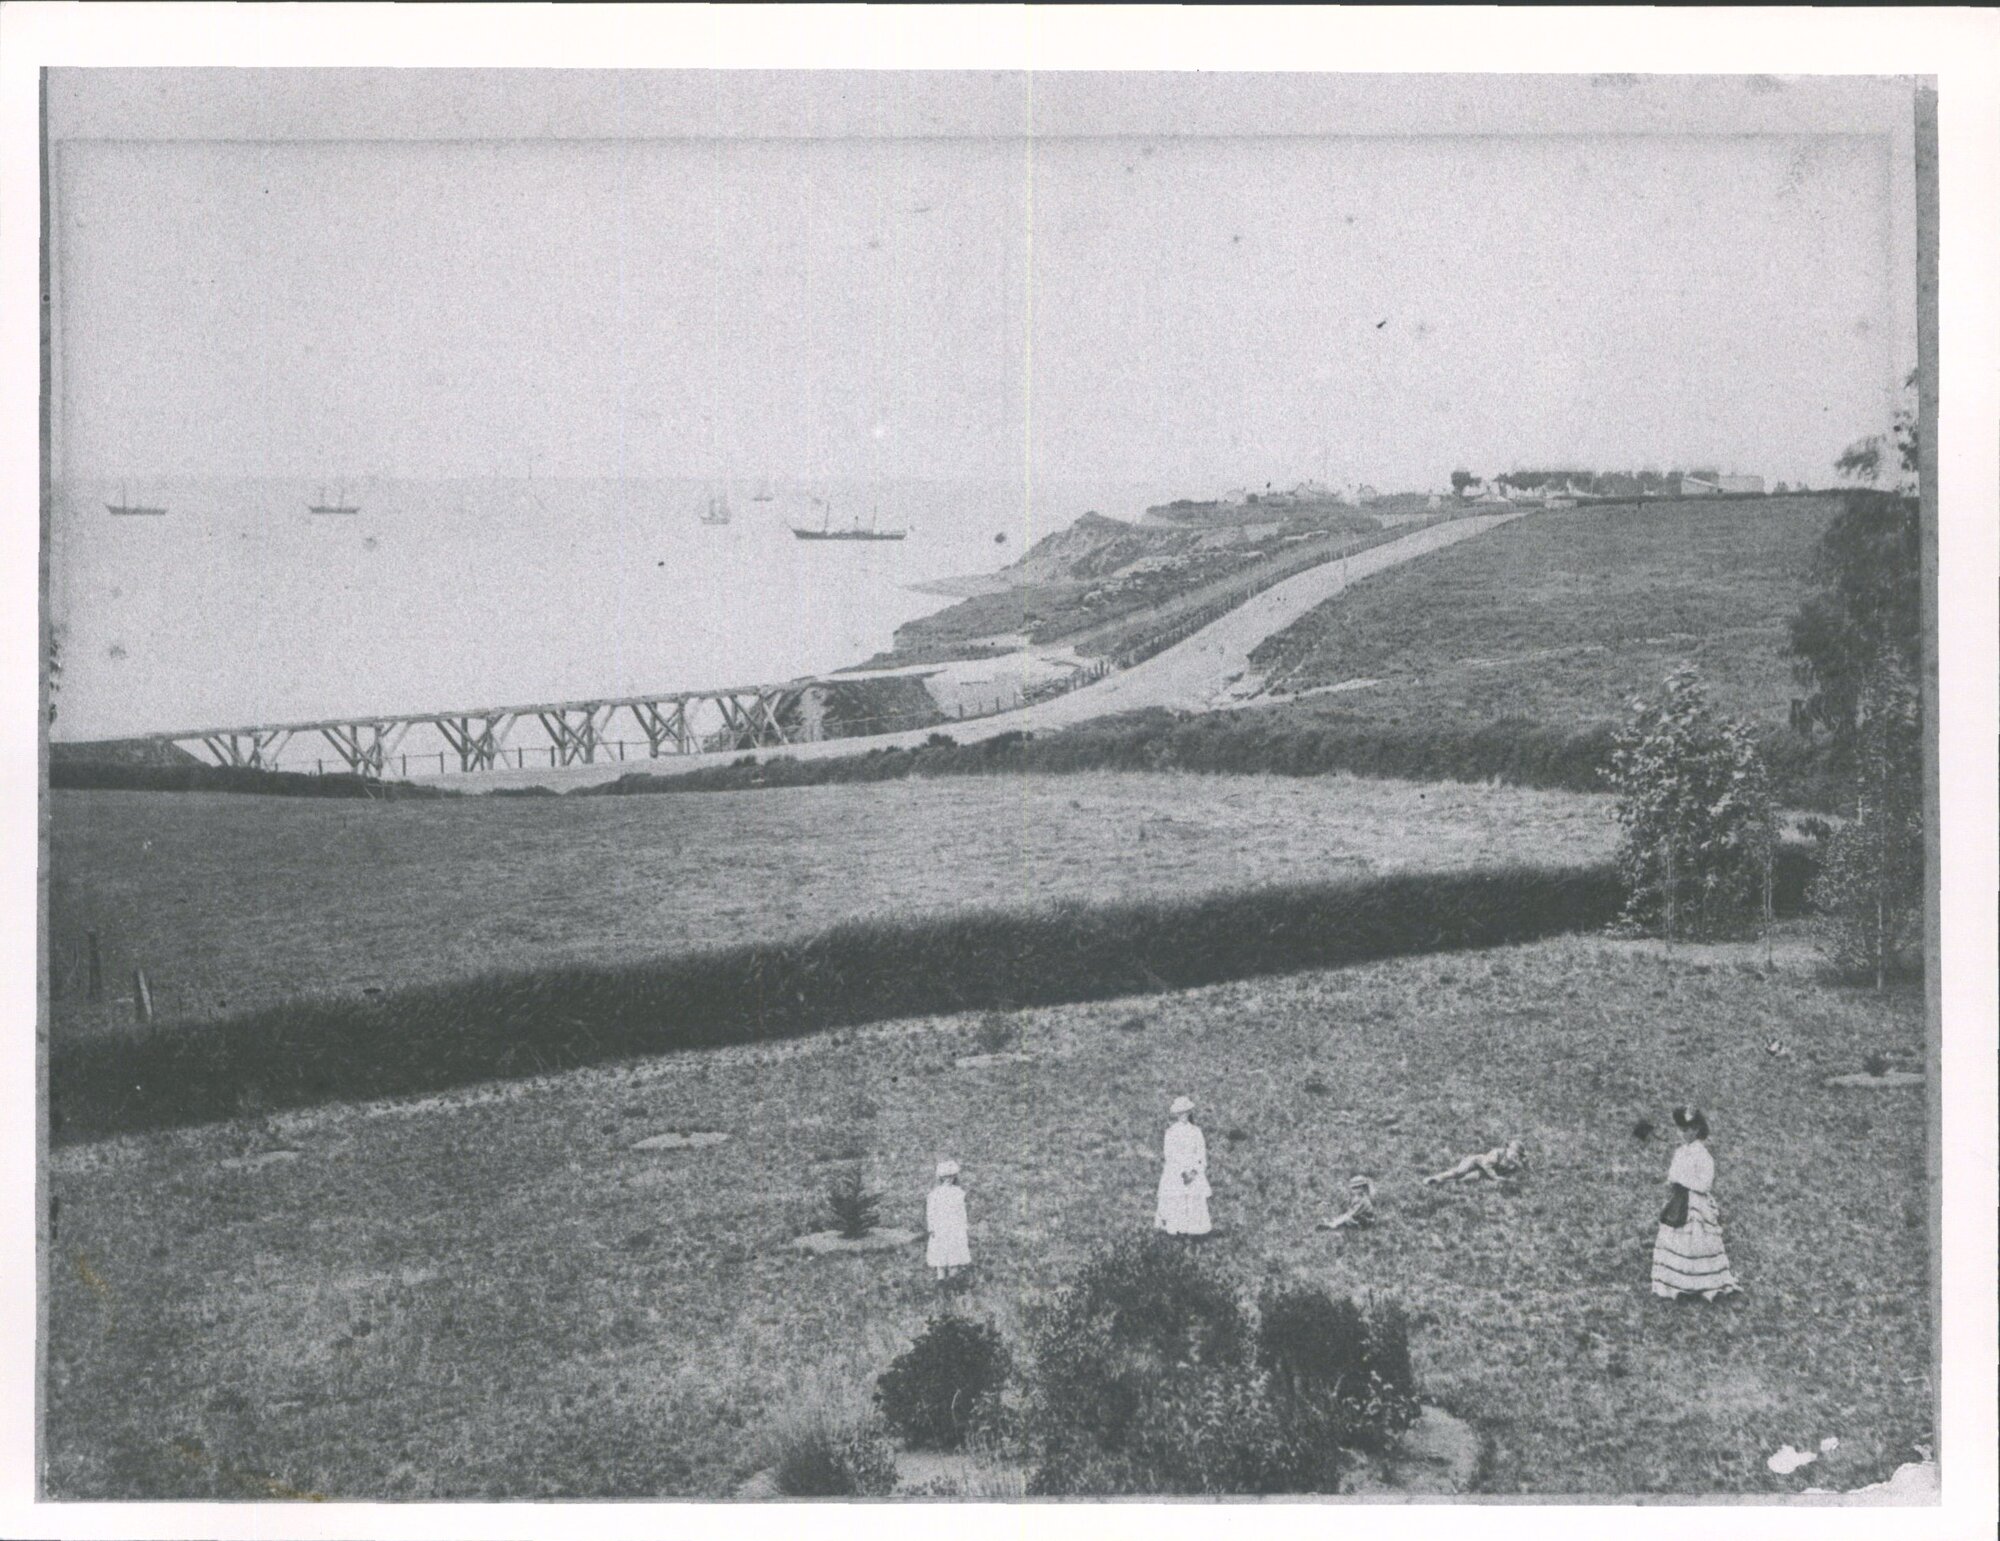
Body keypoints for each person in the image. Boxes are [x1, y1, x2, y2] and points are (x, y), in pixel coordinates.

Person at [1650, 1106, 1742, 1302]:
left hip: (1696, 1204)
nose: (1685, 1134)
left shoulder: (1704, 1155)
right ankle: (1676, 1283)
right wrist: (1673, 1182)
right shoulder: (1680, 1152)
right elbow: (1672, 1174)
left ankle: (1699, 1283)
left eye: (1689, 1130)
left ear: (1698, 1130)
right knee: (1674, 1236)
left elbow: (1705, 1184)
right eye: (1682, 1130)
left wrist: (1682, 1181)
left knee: (1696, 1241)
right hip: (1679, 1200)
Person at [1154, 1095, 1212, 1239]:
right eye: (1180, 1113)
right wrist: (1181, 1172)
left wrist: (1194, 1171)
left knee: (1194, 1198)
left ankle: (1194, 1229)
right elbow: (1169, 1155)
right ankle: (1177, 1228)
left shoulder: (1196, 1131)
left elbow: (1201, 1155)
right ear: (1176, 1114)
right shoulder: (1171, 1132)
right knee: (1176, 1197)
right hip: (1176, 1171)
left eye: (1185, 1112)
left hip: (1193, 1171)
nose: (1183, 1115)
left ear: (1189, 1113)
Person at [926, 1160, 971, 1283]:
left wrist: (964, 1226)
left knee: (954, 1253)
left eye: (951, 1176)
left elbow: (962, 1211)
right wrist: (932, 1228)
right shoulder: (935, 1194)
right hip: (941, 1227)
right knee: (940, 1253)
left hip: (955, 1227)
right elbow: (931, 1212)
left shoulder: (958, 1193)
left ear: (955, 1177)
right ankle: (941, 1280)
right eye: (946, 1177)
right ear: (940, 1177)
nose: (949, 1179)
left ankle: (953, 1280)